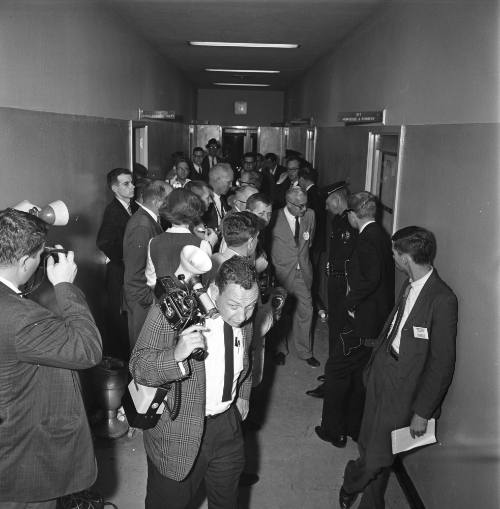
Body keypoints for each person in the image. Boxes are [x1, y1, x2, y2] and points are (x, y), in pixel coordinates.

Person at [339, 226, 458, 509]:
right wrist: (373, 368)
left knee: (379, 455)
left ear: (406, 258)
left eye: (394, 253)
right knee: (368, 440)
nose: (392, 257)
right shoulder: (409, 284)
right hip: (381, 370)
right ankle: (372, 503)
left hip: (403, 388)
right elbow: (395, 328)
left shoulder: (442, 299)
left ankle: (351, 481)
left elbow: (442, 363)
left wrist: (422, 411)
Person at [130, 257, 260, 509]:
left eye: (251, 306)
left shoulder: (244, 316)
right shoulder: (173, 311)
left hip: (226, 427)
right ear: (213, 292)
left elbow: (247, 355)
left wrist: (243, 392)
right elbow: (138, 366)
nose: (243, 315)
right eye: (233, 305)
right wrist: (175, 355)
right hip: (180, 429)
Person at [0, 208, 102, 508]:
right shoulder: (22, 318)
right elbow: (88, 349)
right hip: (23, 454)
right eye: (38, 255)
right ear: (23, 261)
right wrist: (65, 285)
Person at [316, 191, 394, 448]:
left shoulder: (366, 240)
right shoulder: (380, 235)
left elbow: (370, 278)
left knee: (336, 370)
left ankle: (332, 430)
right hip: (374, 320)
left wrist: (349, 304)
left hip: (361, 320)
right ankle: (353, 427)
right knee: (358, 372)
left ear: (353, 214)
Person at [306, 182, 357, 399]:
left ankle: (335, 382)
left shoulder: (350, 223)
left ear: (336, 200)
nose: (326, 208)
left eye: (327, 203)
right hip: (336, 283)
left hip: (344, 286)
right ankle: (333, 374)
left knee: (340, 334)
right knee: (335, 331)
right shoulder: (339, 220)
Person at [269, 186, 319, 367]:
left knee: (307, 311)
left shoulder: (310, 215)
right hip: (281, 272)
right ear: (288, 203)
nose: (304, 209)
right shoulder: (273, 217)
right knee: (279, 312)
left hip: (302, 272)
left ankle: (305, 352)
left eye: (306, 205)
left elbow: (309, 241)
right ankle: (280, 350)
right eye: (300, 206)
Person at [123, 180, 171, 349]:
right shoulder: (142, 226)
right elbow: (134, 273)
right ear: (158, 203)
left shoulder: (150, 221)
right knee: (143, 353)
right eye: (169, 201)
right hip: (142, 303)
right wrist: (149, 300)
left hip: (147, 300)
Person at [96, 167, 138, 359]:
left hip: (129, 272)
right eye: (126, 184)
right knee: (117, 316)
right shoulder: (113, 211)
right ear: (114, 188)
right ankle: (119, 358)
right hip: (118, 271)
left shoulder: (134, 207)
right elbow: (103, 242)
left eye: (132, 182)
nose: (132, 187)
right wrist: (124, 258)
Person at [145, 188, 217, 286]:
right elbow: (206, 283)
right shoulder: (202, 244)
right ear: (194, 212)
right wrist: (210, 246)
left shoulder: (153, 242)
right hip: (192, 300)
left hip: (161, 299)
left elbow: (151, 282)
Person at [298, 166, 327, 318]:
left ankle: (311, 306)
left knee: (308, 276)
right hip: (318, 242)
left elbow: (308, 224)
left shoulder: (309, 196)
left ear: (302, 179)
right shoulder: (318, 192)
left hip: (312, 244)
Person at [203, 163, 233, 230]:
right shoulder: (202, 202)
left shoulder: (224, 198)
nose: (231, 185)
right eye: (228, 182)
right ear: (217, 180)